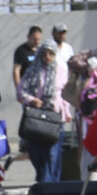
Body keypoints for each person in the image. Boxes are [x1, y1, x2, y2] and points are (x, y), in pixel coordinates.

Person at [17, 43, 70, 185]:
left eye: (51, 54)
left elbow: (65, 93)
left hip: (54, 116)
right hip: (36, 117)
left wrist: (66, 111)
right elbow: (21, 91)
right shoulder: (33, 70)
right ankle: (42, 180)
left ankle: (50, 185)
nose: (47, 57)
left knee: (52, 154)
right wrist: (32, 100)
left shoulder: (61, 69)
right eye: (45, 53)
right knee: (36, 153)